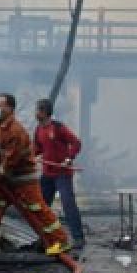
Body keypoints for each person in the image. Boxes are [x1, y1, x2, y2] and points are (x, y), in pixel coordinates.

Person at [0, 93, 70, 256]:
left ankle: (60, 241)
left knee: (37, 209)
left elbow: (10, 162)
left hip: (22, 179)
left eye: (0, 105)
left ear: (10, 108)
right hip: (3, 178)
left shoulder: (15, 131)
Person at [34, 98, 85, 249]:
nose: (35, 113)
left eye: (37, 110)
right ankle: (43, 238)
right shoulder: (38, 130)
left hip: (62, 173)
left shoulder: (58, 128)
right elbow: (37, 149)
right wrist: (30, 156)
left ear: (44, 112)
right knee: (43, 206)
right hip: (47, 174)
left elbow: (76, 143)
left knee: (68, 204)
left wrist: (69, 158)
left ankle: (78, 238)